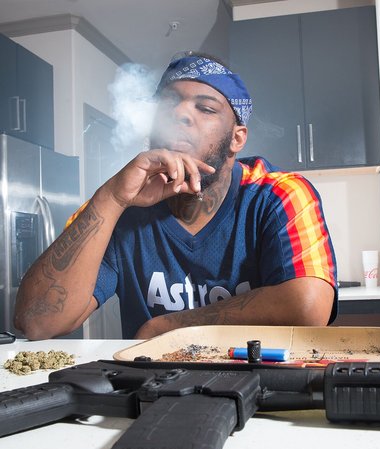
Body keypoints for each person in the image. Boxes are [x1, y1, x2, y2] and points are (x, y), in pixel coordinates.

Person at [14, 53, 338, 340]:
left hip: (259, 383)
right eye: (168, 103)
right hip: (153, 387)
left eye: (205, 108)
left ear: (237, 138)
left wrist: (167, 327)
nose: (180, 113)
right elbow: (37, 322)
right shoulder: (119, 206)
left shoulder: (278, 194)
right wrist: (111, 197)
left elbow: (308, 306)